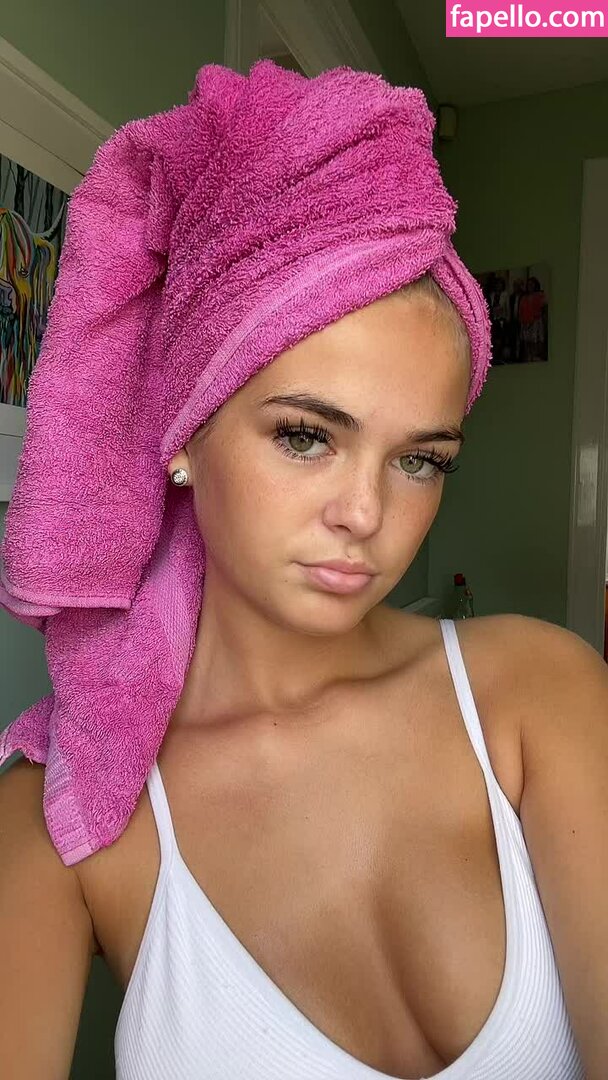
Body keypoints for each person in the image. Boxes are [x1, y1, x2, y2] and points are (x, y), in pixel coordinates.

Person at [0, 61, 606, 1080]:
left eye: (420, 459)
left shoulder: (539, 694)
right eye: (305, 436)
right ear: (184, 431)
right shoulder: (74, 805)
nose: (366, 515)